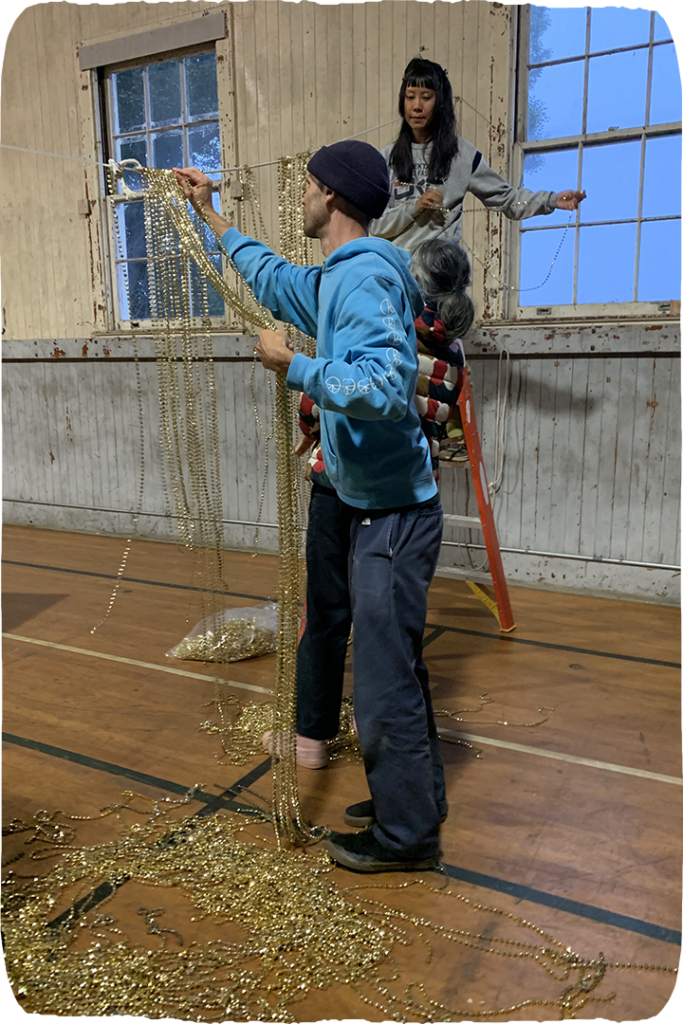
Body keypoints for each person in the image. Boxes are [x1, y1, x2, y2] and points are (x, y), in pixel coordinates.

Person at [175, 140, 447, 873]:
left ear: (330, 197)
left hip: (390, 516)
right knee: (397, 670)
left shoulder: (357, 283)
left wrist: (291, 364)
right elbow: (275, 279)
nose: (299, 197)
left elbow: (388, 389)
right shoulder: (339, 277)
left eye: (304, 187)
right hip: (372, 502)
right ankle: (411, 800)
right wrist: (212, 217)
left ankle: (406, 837)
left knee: (387, 681)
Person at [370, 57, 585, 252]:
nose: (416, 106)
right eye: (410, 97)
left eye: (426, 97)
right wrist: (415, 208)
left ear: (441, 103)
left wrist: (551, 201)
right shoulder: (386, 158)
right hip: (397, 274)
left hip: (440, 274)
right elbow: (376, 226)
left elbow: (508, 200)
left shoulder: (461, 155)